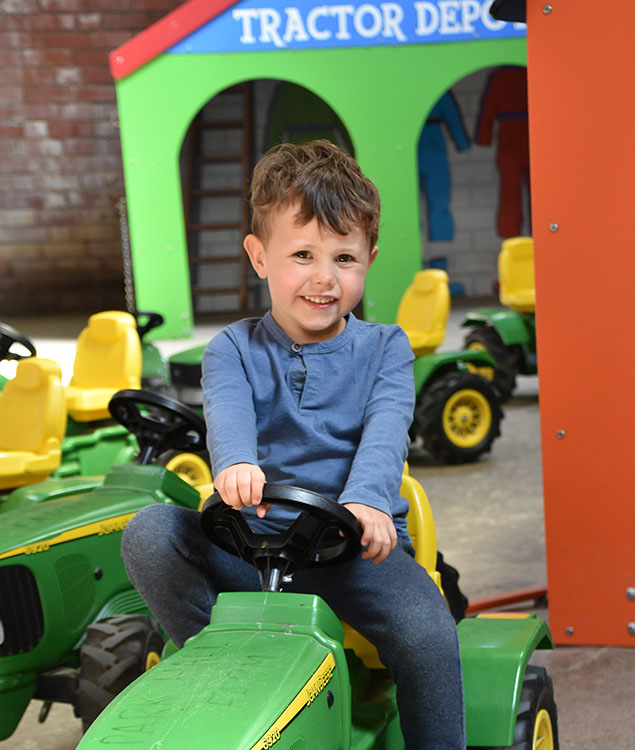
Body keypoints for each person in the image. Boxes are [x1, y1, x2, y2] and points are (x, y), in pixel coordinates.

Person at [121, 140, 465, 749]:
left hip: (355, 553)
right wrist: (235, 465)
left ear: (370, 259)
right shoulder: (231, 349)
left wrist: (367, 502)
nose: (324, 278)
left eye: (345, 258)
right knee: (150, 531)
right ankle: (217, 663)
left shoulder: (386, 349)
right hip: (253, 549)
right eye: (302, 254)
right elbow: (227, 417)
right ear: (259, 256)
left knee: (428, 632)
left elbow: (386, 434)